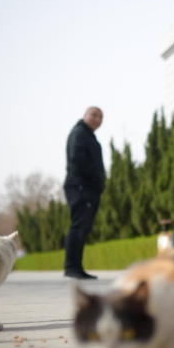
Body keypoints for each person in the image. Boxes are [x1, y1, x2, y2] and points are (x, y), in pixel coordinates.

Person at [63, 107, 105, 279]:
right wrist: (95, 177)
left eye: (101, 117)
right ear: (85, 116)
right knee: (78, 227)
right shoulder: (79, 133)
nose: (97, 119)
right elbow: (77, 159)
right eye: (93, 115)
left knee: (83, 228)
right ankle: (71, 268)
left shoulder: (88, 136)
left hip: (88, 188)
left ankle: (77, 268)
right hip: (80, 187)